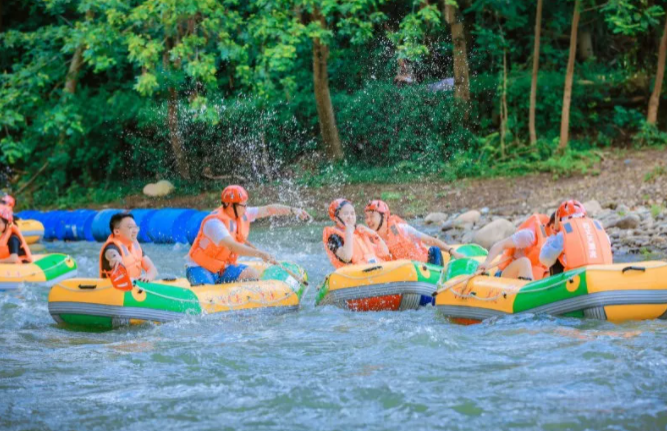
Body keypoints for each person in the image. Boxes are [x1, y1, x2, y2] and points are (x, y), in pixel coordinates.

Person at [187, 185, 311, 285]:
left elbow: (268, 209)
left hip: (222, 268)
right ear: (230, 205)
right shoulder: (214, 223)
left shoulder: (242, 213)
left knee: (252, 275)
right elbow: (232, 246)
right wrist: (259, 254)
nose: (246, 208)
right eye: (243, 205)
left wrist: (293, 210)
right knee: (209, 294)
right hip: (200, 268)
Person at [363, 199, 464, 265]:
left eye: (372, 216)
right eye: (366, 217)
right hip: (401, 274)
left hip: (425, 267)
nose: (368, 221)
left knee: (434, 250)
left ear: (384, 216)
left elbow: (430, 240)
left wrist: (452, 251)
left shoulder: (402, 229)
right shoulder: (371, 239)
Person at [540, 199, 612, 275]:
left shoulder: (563, 234)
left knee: (555, 257)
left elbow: (544, 259)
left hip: (576, 278)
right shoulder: (600, 231)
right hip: (603, 274)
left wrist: (555, 232)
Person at [477, 213, 551, 281]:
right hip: (506, 275)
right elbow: (501, 244)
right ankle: (532, 292)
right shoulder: (527, 236)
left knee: (549, 271)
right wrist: (487, 262)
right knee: (525, 262)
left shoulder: (548, 239)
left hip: (531, 274)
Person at [323, 199, 391, 269]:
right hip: (354, 275)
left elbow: (385, 253)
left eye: (352, 213)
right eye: (346, 213)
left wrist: (374, 234)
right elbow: (346, 257)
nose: (350, 216)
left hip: (373, 269)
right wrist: (348, 233)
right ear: (336, 218)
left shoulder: (359, 233)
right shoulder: (333, 237)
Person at [99, 212, 158, 282]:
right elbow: (110, 252)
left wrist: (147, 277)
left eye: (136, 227)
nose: (135, 231)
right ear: (117, 231)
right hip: (110, 289)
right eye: (130, 227)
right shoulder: (112, 246)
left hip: (133, 287)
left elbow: (152, 268)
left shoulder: (135, 247)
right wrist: (115, 257)